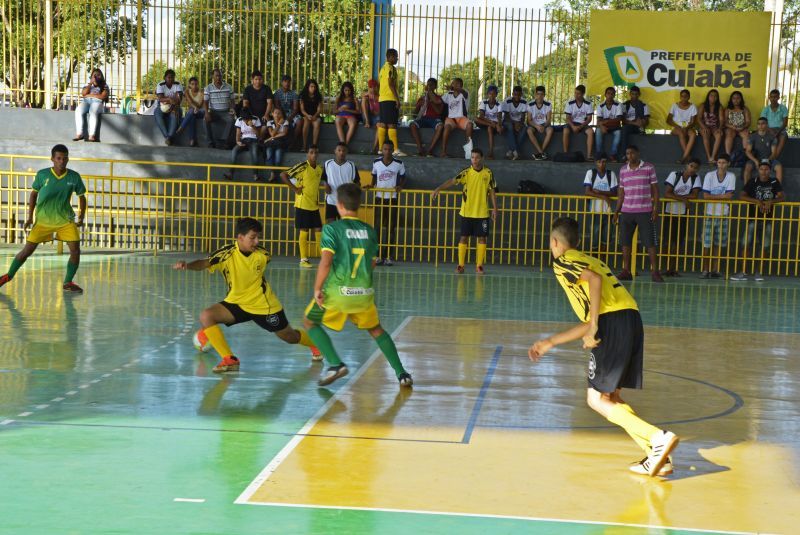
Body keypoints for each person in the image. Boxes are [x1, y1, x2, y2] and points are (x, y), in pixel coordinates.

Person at [528, 216, 679, 478]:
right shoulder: (589, 258)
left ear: (555, 242)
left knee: (596, 399)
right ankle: (659, 456)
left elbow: (595, 285)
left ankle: (657, 438)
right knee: (611, 398)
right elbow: (592, 312)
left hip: (611, 322)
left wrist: (596, 325)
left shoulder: (563, 263)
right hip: (631, 317)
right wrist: (550, 342)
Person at [172, 217, 320, 373]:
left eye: (258, 237)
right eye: (252, 238)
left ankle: (317, 344)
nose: (256, 241)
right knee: (206, 316)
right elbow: (204, 263)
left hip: (263, 306)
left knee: (290, 337)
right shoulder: (226, 254)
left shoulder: (263, 255)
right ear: (240, 238)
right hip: (237, 303)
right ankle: (230, 359)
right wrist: (188, 265)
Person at [302, 183, 413, 388]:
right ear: (359, 205)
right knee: (377, 330)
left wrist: (317, 288)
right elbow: (371, 263)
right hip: (364, 293)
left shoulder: (332, 229)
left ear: (340, 204)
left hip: (337, 293)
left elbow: (326, 262)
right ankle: (402, 373)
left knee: (309, 322)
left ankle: (335, 364)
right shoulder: (370, 231)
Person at [0, 144, 86, 293]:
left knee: (75, 251)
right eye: (58, 158)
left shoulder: (74, 176)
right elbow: (33, 194)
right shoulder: (42, 174)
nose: (62, 161)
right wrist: (30, 217)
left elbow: (82, 197)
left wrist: (81, 216)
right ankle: (7, 276)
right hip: (43, 220)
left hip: (65, 220)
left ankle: (68, 282)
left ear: (68, 159)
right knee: (26, 251)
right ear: (52, 159)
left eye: (65, 158)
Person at [431, 147, 498, 274]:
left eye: (477, 157)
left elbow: (492, 192)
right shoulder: (466, 173)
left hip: (482, 213)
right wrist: (438, 188)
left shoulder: (488, 173)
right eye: (472, 157)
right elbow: (452, 181)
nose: (475, 160)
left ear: (482, 158)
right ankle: (461, 265)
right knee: (463, 238)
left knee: (482, 239)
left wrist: (495, 209)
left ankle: (479, 266)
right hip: (467, 212)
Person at [613, 145, 663, 283]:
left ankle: (655, 272)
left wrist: (655, 209)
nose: (630, 156)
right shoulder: (623, 170)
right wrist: (617, 211)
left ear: (638, 153)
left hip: (645, 211)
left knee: (650, 242)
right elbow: (621, 193)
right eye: (627, 153)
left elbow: (655, 190)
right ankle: (626, 271)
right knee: (625, 242)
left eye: (632, 153)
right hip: (627, 211)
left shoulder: (648, 168)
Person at [731, 160, 784, 282]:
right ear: (758, 170)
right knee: (745, 244)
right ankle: (743, 272)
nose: (764, 171)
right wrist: (757, 201)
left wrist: (771, 201)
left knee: (764, 246)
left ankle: (758, 273)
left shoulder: (774, 182)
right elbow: (741, 195)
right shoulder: (752, 181)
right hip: (752, 218)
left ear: (770, 171)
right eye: (761, 169)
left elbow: (782, 197)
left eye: (766, 169)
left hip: (767, 219)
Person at [281, 146, 323, 268]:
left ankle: (323, 258)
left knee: (318, 230)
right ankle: (303, 259)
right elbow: (283, 175)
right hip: (302, 204)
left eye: (316, 153)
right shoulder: (302, 166)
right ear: (307, 155)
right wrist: (294, 189)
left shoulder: (320, 169)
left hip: (313, 205)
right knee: (304, 230)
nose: (314, 155)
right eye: (311, 152)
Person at [366, 141, 406, 266]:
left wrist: (400, 186)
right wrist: (371, 185)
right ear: (382, 150)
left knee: (391, 228)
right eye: (385, 149)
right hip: (379, 197)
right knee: (377, 227)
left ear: (393, 150)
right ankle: (377, 256)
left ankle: (388, 256)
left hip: (392, 198)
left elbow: (404, 177)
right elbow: (374, 176)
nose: (387, 151)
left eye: (389, 149)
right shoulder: (376, 162)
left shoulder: (399, 164)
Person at [662, 159, 702, 277]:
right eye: (691, 166)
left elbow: (694, 196)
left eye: (695, 167)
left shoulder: (696, 178)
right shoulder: (674, 175)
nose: (692, 169)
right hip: (670, 212)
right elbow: (667, 193)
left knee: (678, 242)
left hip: (683, 214)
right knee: (667, 241)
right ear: (686, 166)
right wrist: (684, 199)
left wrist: (677, 196)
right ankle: (667, 267)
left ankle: (673, 268)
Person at [699, 154, 736, 279]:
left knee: (718, 244)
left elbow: (730, 196)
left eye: (724, 162)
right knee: (706, 243)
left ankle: (715, 270)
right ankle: (705, 270)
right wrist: (723, 196)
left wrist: (713, 197)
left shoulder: (731, 176)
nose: (721, 165)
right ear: (717, 163)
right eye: (719, 162)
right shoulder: (710, 175)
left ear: (728, 164)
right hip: (709, 213)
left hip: (723, 214)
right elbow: (705, 196)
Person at [582, 153, 618, 251]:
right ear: (595, 163)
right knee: (595, 233)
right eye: (599, 162)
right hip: (595, 210)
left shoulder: (611, 174)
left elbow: (614, 193)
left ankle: (603, 257)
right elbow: (587, 192)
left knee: (607, 235)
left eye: (603, 162)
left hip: (608, 211)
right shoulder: (591, 173)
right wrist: (604, 196)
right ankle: (595, 256)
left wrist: (599, 192)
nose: (601, 164)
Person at [322, 142, 359, 223]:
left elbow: (357, 182)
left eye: (343, 150)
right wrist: (325, 184)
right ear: (335, 151)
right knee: (330, 225)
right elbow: (323, 177)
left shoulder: (351, 165)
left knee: (344, 227)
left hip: (345, 202)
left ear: (347, 152)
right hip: (331, 200)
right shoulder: (328, 163)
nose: (341, 152)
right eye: (339, 150)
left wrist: (352, 194)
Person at [378, 49, 405, 157]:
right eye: (396, 56)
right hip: (390, 99)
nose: (397, 58)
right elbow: (390, 83)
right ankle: (395, 149)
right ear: (390, 57)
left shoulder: (382, 68)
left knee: (383, 123)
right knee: (392, 124)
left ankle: (380, 149)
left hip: (382, 99)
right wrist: (397, 99)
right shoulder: (391, 68)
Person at [409, 77, 444, 157]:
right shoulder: (422, 98)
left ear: (435, 87)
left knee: (441, 126)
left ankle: (429, 150)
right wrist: (418, 106)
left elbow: (439, 112)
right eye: (427, 85)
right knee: (412, 124)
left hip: (434, 119)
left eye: (431, 85)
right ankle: (420, 149)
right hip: (423, 119)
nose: (429, 87)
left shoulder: (439, 98)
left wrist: (431, 102)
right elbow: (414, 115)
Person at [203, 68, 235, 149]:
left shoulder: (229, 87)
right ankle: (210, 143)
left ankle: (224, 141)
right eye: (216, 76)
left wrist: (232, 109)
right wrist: (206, 113)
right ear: (212, 77)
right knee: (205, 120)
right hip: (214, 112)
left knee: (232, 120)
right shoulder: (208, 88)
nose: (218, 77)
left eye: (220, 76)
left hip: (225, 112)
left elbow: (232, 100)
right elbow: (205, 102)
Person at [73, 68, 108, 142]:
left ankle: (92, 135)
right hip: (87, 101)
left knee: (93, 112)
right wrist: (90, 84)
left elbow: (103, 96)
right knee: (78, 110)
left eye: (98, 75)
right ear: (91, 77)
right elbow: (83, 94)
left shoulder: (104, 85)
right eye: (94, 75)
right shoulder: (88, 85)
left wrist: (90, 95)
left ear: (101, 77)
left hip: (97, 102)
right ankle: (79, 134)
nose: (95, 77)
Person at [440, 78, 473, 158]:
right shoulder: (448, 94)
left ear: (460, 85)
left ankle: (469, 149)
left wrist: (454, 88)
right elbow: (440, 101)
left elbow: (463, 92)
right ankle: (443, 152)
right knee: (447, 127)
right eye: (453, 83)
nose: (453, 85)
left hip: (461, 118)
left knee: (470, 125)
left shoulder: (464, 93)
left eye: (455, 83)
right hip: (451, 119)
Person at [225, 112, 262, 182]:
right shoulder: (239, 120)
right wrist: (238, 141)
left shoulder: (256, 119)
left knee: (254, 153)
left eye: (246, 119)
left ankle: (255, 175)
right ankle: (230, 173)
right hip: (243, 140)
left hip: (254, 140)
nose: (245, 121)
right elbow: (238, 133)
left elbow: (258, 135)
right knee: (234, 151)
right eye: (244, 119)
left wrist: (253, 126)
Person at [744, 117, 783, 183]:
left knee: (779, 167)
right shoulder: (752, 136)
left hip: (769, 159)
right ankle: (746, 190)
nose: (760, 125)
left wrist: (767, 160)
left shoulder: (772, 137)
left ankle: (778, 190)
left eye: (763, 123)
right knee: (747, 167)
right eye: (758, 124)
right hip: (755, 159)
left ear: (767, 125)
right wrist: (755, 160)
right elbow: (748, 151)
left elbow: (774, 153)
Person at [562, 84, 594, 161]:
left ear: (583, 94)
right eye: (575, 93)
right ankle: (566, 154)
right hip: (572, 123)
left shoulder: (588, 104)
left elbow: (589, 119)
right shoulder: (570, 103)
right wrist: (573, 126)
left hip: (582, 124)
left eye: (578, 93)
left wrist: (580, 127)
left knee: (590, 132)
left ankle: (589, 155)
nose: (576, 95)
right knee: (565, 130)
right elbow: (568, 118)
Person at [618, 85, 649, 162]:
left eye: (636, 94)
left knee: (639, 106)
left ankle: (641, 129)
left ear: (639, 95)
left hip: (640, 125)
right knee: (624, 129)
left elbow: (647, 121)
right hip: (629, 125)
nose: (634, 96)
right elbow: (623, 120)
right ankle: (624, 156)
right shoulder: (625, 104)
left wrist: (641, 123)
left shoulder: (644, 105)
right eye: (633, 94)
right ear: (630, 94)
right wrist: (634, 123)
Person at [666, 89, 697, 164]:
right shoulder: (674, 106)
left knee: (693, 134)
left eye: (686, 96)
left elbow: (693, 122)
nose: (684, 98)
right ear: (680, 97)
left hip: (688, 127)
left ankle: (684, 157)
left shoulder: (692, 107)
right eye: (682, 96)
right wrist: (677, 126)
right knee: (681, 133)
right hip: (676, 127)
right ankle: (687, 157)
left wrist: (687, 128)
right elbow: (668, 120)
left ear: (689, 97)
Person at [154, 69, 184, 145]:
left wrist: (174, 106)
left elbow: (179, 99)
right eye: (169, 77)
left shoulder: (178, 84)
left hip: (175, 106)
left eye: (172, 77)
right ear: (165, 77)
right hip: (162, 105)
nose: (171, 79)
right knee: (157, 113)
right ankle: (167, 136)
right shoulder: (160, 85)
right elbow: (160, 99)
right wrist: (169, 99)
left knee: (175, 115)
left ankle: (169, 137)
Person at [475, 85, 504, 160]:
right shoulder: (484, 102)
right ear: (487, 94)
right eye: (490, 93)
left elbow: (499, 117)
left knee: (489, 129)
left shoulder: (499, 104)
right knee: (475, 119)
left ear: (496, 95)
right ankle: (491, 125)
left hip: (494, 124)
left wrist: (499, 125)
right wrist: (491, 123)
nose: (492, 95)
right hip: (486, 122)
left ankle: (491, 152)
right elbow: (481, 116)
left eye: (494, 94)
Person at [242, 69, 273, 138]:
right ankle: (254, 141)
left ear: (262, 79)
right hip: (251, 114)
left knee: (265, 126)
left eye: (260, 79)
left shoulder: (267, 89)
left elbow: (270, 103)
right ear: (252, 80)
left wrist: (266, 114)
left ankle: (259, 141)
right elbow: (245, 103)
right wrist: (248, 116)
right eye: (256, 79)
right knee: (250, 125)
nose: (258, 81)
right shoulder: (247, 89)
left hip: (263, 114)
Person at [272, 74, 301, 148]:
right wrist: (283, 117)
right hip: (280, 113)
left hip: (291, 114)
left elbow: (295, 109)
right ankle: (278, 140)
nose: (287, 83)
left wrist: (289, 118)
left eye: (288, 82)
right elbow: (277, 106)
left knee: (299, 121)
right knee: (277, 116)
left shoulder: (294, 94)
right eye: (285, 81)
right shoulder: (277, 93)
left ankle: (293, 141)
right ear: (282, 82)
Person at [594, 87, 622, 162]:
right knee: (598, 131)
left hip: (615, 127)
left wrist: (605, 122)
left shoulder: (618, 105)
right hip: (604, 127)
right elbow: (599, 121)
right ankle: (599, 154)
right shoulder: (600, 106)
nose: (610, 95)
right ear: (605, 95)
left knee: (619, 133)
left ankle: (613, 154)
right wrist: (602, 126)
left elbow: (618, 119)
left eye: (612, 94)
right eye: (608, 93)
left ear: (614, 95)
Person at [526, 85, 554, 160]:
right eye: (538, 94)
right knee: (529, 131)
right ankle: (541, 152)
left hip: (544, 124)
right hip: (534, 125)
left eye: (541, 94)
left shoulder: (548, 105)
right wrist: (537, 126)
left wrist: (543, 126)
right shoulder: (530, 105)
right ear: (535, 95)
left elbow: (548, 120)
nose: (539, 96)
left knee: (550, 130)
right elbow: (529, 120)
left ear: (544, 95)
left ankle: (540, 153)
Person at [175, 76, 205, 147]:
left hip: (201, 112)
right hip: (192, 112)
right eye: (192, 84)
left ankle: (181, 128)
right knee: (192, 116)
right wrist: (194, 107)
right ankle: (192, 141)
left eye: (196, 84)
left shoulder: (202, 92)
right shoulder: (186, 91)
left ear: (198, 84)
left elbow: (200, 105)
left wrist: (194, 106)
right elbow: (190, 102)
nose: (194, 86)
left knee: (191, 112)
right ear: (189, 85)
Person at [263, 107, 290, 182]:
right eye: (275, 113)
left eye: (279, 113)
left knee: (278, 159)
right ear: (272, 114)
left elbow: (284, 133)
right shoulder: (269, 122)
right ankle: (273, 174)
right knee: (269, 157)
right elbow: (272, 133)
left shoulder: (285, 122)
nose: (277, 115)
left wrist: (269, 138)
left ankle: (274, 175)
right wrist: (278, 125)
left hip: (280, 143)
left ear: (281, 114)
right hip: (271, 143)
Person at [761, 89, 789, 157]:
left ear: (778, 98)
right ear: (769, 97)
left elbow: (785, 123)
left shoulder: (783, 108)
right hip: (768, 129)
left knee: (783, 136)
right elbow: (763, 122)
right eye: (772, 97)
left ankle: (773, 158)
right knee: (768, 138)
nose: (773, 99)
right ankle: (771, 158)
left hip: (780, 129)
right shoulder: (766, 109)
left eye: (775, 97)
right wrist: (771, 131)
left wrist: (778, 132)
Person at [698, 89, 724, 164]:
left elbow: (722, 120)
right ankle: (709, 157)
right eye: (711, 95)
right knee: (705, 134)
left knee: (719, 135)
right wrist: (704, 127)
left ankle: (713, 157)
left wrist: (719, 128)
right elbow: (699, 118)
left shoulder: (719, 106)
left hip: (715, 127)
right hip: (704, 126)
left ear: (717, 98)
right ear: (708, 96)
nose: (713, 97)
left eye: (715, 96)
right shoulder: (703, 105)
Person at [503, 85, 528, 160]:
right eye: (515, 94)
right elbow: (506, 116)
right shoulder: (507, 101)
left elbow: (523, 117)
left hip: (519, 122)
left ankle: (511, 151)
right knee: (510, 126)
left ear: (521, 95)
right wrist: (515, 123)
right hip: (508, 121)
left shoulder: (524, 102)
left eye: (519, 95)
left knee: (525, 129)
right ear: (512, 94)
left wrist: (519, 124)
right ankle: (515, 152)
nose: (517, 96)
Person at [723, 90, 751, 156]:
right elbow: (725, 122)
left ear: (741, 99)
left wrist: (743, 127)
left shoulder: (745, 109)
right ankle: (728, 155)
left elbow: (748, 121)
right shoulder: (728, 109)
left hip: (742, 127)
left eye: (738, 98)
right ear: (731, 99)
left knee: (746, 134)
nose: (736, 100)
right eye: (734, 98)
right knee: (729, 134)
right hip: (730, 127)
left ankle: (746, 154)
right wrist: (732, 127)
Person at [334, 81, 361, 147]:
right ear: (343, 90)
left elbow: (358, 111)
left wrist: (347, 110)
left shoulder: (354, 99)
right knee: (337, 121)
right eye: (346, 90)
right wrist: (340, 109)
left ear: (351, 90)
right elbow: (334, 111)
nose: (347, 92)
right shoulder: (339, 98)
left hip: (350, 115)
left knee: (353, 123)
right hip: (341, 115)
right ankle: (342, 143)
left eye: (349, 90)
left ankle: (345, 145)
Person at [299, 79, 323, 152]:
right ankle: (304, 146)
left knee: (317, 122)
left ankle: (314, 146)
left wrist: (315, 116)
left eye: (314, 87)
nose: (313, 88)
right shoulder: (302, 95)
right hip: (305, 115)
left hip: (315, 115)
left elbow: (319, 110)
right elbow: (302, 110)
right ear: (307, 87)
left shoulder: (318, 96)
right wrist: (307, 115)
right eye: (311, 86)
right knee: (306, 122)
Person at [362, 79, 381, 153]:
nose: (372, 89)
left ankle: (374, 148)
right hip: (368, 117)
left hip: (378, 118)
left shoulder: (380, 96)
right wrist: (369, 94)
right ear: (368, 87)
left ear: (377, 87)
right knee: (364, 99)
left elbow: (380, 112)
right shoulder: (366, 95)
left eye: (374, 87)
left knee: (380, 125)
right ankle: (367, 121)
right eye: (371, 87)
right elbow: (362, 95)